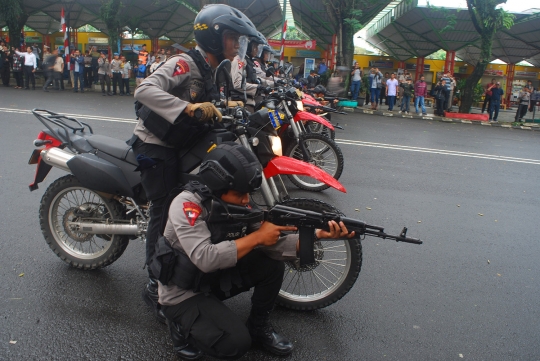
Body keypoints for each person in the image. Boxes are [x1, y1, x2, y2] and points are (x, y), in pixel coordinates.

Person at [127, 3, 259, 330]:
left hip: (180, 142)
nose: (236, 45)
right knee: (166, 205)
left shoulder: (212, 67)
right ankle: (155, 283)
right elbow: (144, 90)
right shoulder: (183, 62)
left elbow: (209, 103)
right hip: (156, 146)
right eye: (232, 38)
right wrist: (188, 108)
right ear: (214, 38)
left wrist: (230, 107)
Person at [155, 142, 353, 359]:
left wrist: (317, 235)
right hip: (183, 292)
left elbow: (273, 244)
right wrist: (258, 236)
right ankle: (179, 326)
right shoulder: (187, 205)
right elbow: (205, 257)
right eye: (240, 194)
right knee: (236, 344)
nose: (246, 200)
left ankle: (258, 326)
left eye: (248, 193)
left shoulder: (237, 204)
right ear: (218, 186)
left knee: (270, 263)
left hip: (211, 279)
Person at [231, 33, 266, 112]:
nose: (257, 49)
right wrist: (257, 87)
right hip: (242, 102)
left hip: (249, 100)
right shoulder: (239, 60)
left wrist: (270, 84)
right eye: (255, 46)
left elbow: (254, 77)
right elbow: (237, 84)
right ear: (248, 46)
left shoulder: (247, 60)